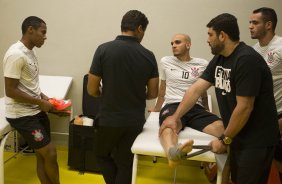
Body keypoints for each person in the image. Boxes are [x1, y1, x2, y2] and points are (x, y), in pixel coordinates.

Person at [160, 13, 279, 184]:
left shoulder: (247, 60)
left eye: (210, 35)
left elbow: (245, 107)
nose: (207, 40)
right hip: (239, 134)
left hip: (256, 140)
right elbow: (195, 90)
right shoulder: (220, 59)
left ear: (222, 36)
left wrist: (225, 139)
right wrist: (175, 117)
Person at [87, 10, 159, 184]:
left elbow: (91, 89)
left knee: (101, 156)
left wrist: (104, 93)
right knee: (126, 162)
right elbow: (153, 93)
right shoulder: (148, 56)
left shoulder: (103, 49)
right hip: (134, 121)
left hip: (108, 120)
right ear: (140, 28)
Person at [149, 33, 224, 167]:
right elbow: (162, 88)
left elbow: (202, 89)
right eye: (172, 43)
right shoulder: (166, 61)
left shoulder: (202, 63)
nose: (173, 46)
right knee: (168, 127)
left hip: (195, 106)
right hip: (172, 105)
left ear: (188, 45)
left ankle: (226, 151)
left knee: (221, 128)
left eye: (177, 42)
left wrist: (206, 108)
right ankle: (172, 154)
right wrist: (157, 108)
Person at [3, 16, 60, 184]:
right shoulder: (16, 54)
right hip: (21, 115)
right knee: (50, 153)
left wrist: (42, 96)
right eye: (43, 32)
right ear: (30, 30)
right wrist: (41, 103)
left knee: (42, 157)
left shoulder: (31, 51)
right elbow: (10, 91)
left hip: (36, 110)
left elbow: (29, 82)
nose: (45, 36)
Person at [249, 7, 282, 181]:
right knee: (268, 162)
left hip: (280, 114)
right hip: (262, 117)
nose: (250, 26)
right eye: (250, 22)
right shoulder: (253, 51)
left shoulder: (281, 46)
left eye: (255, 22)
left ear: (268, 25)